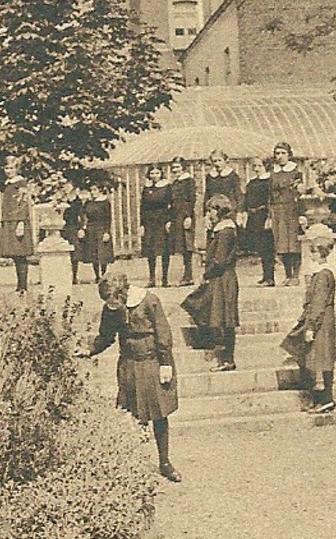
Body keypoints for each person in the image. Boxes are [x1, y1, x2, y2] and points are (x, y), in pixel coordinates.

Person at [80, 270, 181, 482]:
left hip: (152, 363)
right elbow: (106, 336)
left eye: (114, 299)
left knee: (159, 414)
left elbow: (163, 334)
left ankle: (164, 462)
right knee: (133, 415)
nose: (111, 304)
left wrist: (165, 364)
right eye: (108, 301)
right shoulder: (111, 309)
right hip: (129, 365)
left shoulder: (149, 301)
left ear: (124, 292)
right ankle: (137, 464)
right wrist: (90, 350)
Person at [283, 223, 336, 412]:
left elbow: (318, 304)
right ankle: (320, 399)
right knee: (316, 358)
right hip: (320, 319)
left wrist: (311, 327)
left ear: (321, 253)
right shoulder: (321, 273)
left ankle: (325, 399)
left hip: (321, 322)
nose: (311, 255)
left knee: (320, 359)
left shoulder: (323, 275)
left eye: (313, 252)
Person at [201, 195, 240, 371]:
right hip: (221, 277)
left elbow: (220, 260)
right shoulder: (221, 230)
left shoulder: (225, 231)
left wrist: (206, 274)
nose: (209, 214)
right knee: (220, 317)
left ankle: (226, 359)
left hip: (223, 278)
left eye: (211, 210)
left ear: (219, 210)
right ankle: (225, 359)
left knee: (224, 319)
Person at [0, 159, 36, 294]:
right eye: (7, 168)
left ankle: (23, 287)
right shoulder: (8, 184)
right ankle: (19, 286)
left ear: (17, 169)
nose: (8, 171)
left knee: (21, 255)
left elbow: (23, 203)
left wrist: (21, 222)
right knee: (15, 255)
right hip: (9, 221)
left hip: (18, 221)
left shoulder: (20, 183)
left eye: (12, 168)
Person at [268, 142, 304, 283]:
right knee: (281, 245)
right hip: (277, 210)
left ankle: (295, 276)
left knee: (293, 244)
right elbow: (269, 194)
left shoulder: (296, 172)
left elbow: (300, 194)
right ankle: (288, 275)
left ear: (289, 154)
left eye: (283, 153)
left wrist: (302, 213)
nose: (280, 156)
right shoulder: (272, 173)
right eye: (277, 153)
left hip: (292, 209)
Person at [242, 157, 275, 287]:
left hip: (264, 216)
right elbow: (246, 199)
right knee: (261, 248)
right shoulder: (252, 183)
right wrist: (245, 213)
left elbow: (271, 201)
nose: (256, 169)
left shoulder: (270, 182)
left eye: (259, 166)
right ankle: (265, 276)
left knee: (268, 247)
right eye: (254, 166)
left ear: (266, 166)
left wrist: (269, 217)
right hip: (254, 217)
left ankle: (270, 277)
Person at [139, 165, 173, 288]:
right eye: (152, 173)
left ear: (161, 174)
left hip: (162, 220)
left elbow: (171, 204)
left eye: (157, 173)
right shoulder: (146, 188)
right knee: (150, 250)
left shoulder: (167, 187)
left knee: (164, 250)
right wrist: (142, 224)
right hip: (149, 221)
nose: (154, 176)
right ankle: (152, 278)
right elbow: (142, 207)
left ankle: (165, 279)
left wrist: (169, 221)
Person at [168, 157, 198, 285]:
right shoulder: (174, 183)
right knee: (180, 245)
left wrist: (188, 216)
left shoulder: (189, 181)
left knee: (187, 245)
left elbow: (191, 199)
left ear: (183, 167)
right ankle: (186, 275)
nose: (175, 170)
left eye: (178, 167)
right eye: (173, 168)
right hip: (176, 216)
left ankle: (188, 275)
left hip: (185, 215)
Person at [82, 185, 114, 285]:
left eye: (94, 190)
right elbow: (83, 216)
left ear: (100, 190)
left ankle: (103, 274)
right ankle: (97, 276)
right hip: (91, 229)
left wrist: (106, 232)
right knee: (93, 253)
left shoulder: (105, 202)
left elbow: (108, 218)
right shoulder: (88, 202)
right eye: (91, 190)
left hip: (101, 228)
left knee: (102, 253)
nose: (92, 192)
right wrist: (83, 227)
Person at [205, 152, 241, 230]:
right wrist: (207, 215)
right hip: (214, 212)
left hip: (229, 212)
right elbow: (207, 196)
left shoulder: (233, 176)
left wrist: (239, 212)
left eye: (219, 160)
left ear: (226, 161)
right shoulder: (210, 177)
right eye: (215, 161)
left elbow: (238, 195)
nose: (217, 163)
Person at [61, 184, 88, 286]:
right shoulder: (60, 199)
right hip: (62, 228)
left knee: (74, 254)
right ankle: (63, 276)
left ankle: (74, 276)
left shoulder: (77, 201)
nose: (65, 188)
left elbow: (82, 216)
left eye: (67, 186)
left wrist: (81, 228)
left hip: (73, 228)